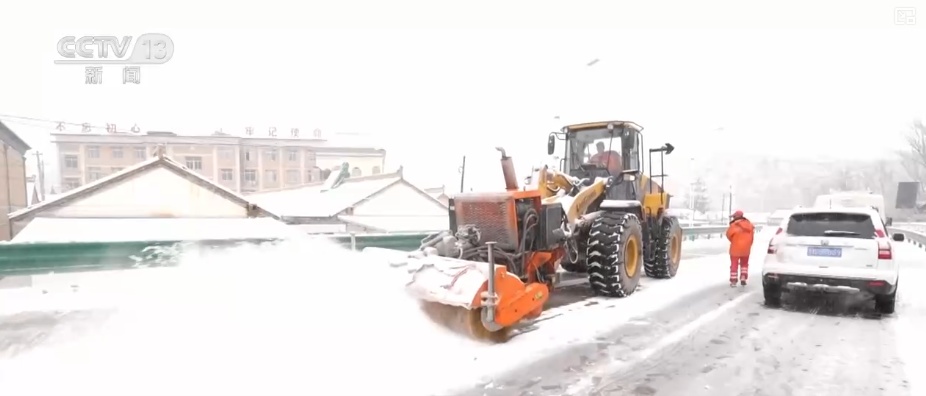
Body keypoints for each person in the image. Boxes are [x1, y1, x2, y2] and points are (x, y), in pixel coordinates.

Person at [725, 210, 755, 287]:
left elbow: (728, 235)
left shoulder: (734, 226)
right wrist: (748, 245)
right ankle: (743, 277)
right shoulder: (749, 225)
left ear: (736, 217)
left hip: (735, 248)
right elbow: (752, 238)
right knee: (744, 264)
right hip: (746, 249)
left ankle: (733, 281)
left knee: (734, 265)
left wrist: (734, 241)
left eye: (734, 216)